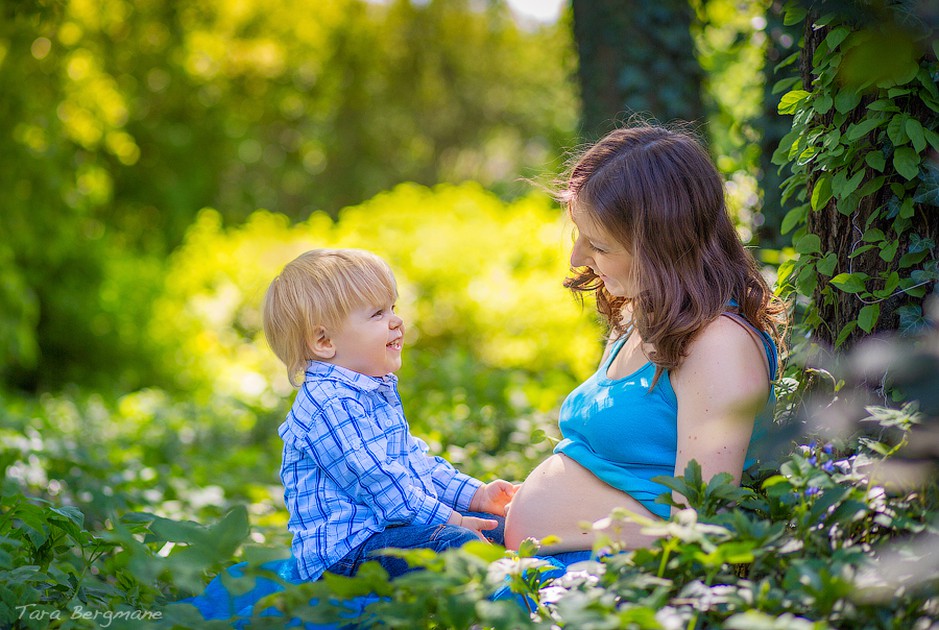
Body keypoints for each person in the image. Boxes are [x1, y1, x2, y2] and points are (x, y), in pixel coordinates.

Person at [503, 124, 788, 561]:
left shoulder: (719, 346)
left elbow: (704, 525)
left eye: (598, 245)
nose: (578, 258)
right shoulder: (641, 314)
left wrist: (563, 523)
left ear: (661, 247)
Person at [262, 248, 517, 581]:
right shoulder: (329, 405)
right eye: (377, 314)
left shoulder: (370, 391)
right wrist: (455, 520)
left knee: (501, 527)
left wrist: (476, 495)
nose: (396, 321)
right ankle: (499, 593)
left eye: (393, 308)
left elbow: (415, 466)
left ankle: (517, 569)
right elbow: (383, 485)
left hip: (391, 532)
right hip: (345, 556)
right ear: (324, 341)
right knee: (457, 543)